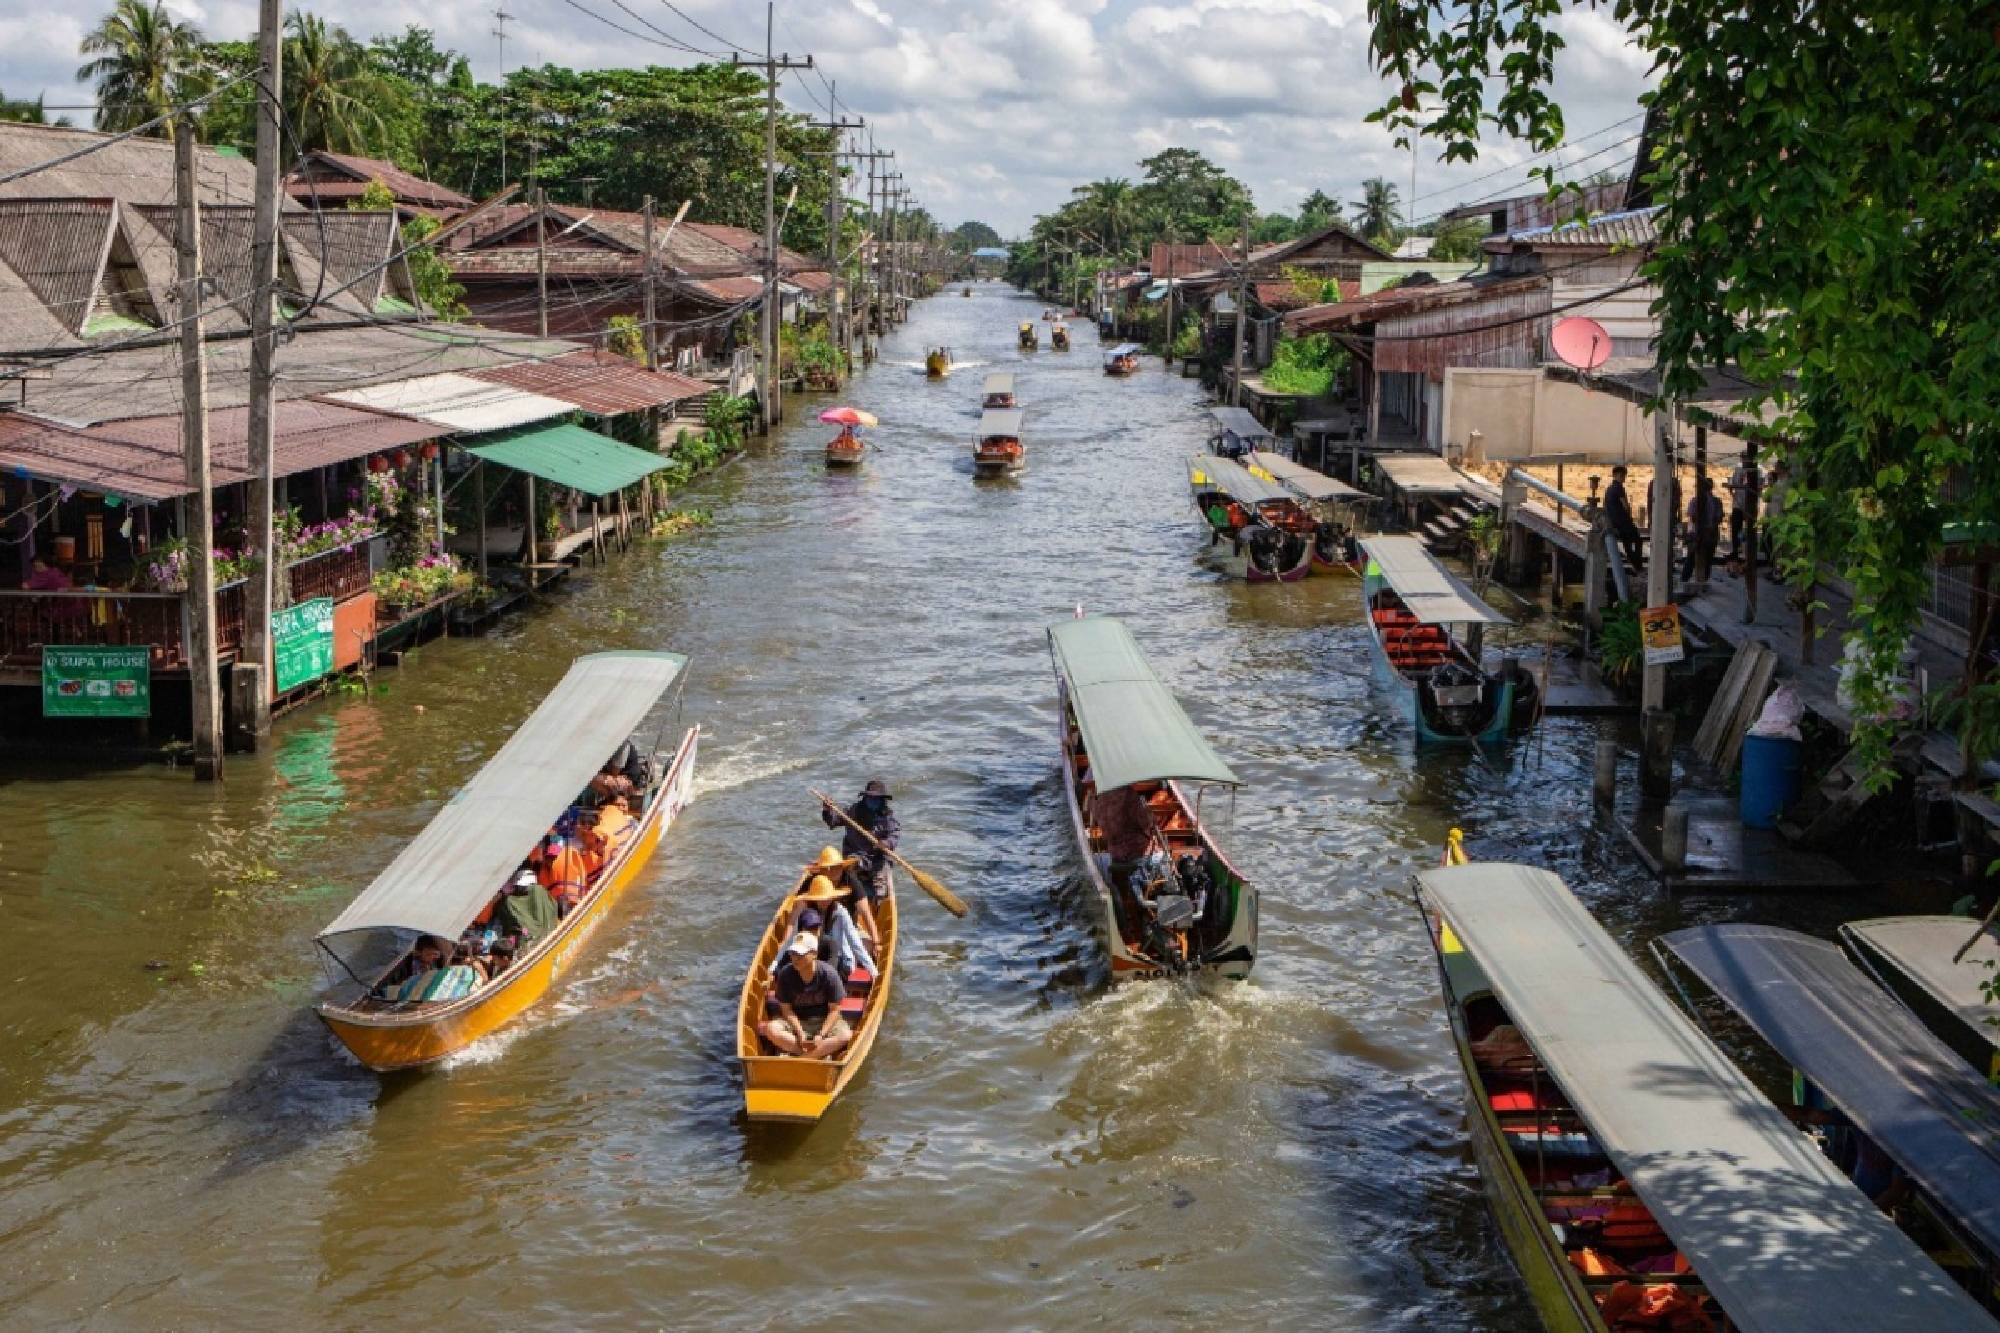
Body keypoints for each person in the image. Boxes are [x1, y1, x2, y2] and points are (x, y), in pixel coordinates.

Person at [823, 781, 898, 943]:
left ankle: (874, 918)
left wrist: (885, 844)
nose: (873, 802)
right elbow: (833, 820)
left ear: (882, 800)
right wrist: (828, 810)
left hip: (877, 859)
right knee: (849, 880)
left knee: (880, 891)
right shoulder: (853, 811)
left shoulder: (887, 817)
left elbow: (894, 836)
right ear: (865, 798)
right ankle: (848, 914)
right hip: (855, 855)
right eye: (871, 798)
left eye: (877, 799)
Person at [760, 933, 853, 1058]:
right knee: (771, 1029)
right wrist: (800, 1032)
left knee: (846, 1035)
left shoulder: (829, 975)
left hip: (823, 1021)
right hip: (798, 1021)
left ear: (814, 953)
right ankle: (814, 1054)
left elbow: (834, 1011)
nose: (795, 958)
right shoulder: (785, 974)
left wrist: (821, 1035)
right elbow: (786, 1010)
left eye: (800, 954)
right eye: (793, 954)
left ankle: (803, 1057)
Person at [773, 873, 876, 977]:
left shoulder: (840, 913)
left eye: (827, 897)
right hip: (811, 958)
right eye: (821, 898)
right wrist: (773, 967)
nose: (825, 901)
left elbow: (855, 943)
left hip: (838, 959)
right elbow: (791, 940)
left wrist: (873, 971)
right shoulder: (806, 914)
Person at [535, 831, 591, 913]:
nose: (551, 860)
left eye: (554, 856)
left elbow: (582, 875)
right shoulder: (541, 870)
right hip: (557, 907)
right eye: (549, 857)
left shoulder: (572, 854)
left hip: (574, 901)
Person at [1682, 476, 1723, 582]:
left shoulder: (1695, 500)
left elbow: (1692, 517)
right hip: (1711, 534)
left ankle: (1685, 579)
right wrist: (1710, 527)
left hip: (1698, 533)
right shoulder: (1717, 501)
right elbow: (1719, 518)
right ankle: (1704, 580)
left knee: (1691, 558)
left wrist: (1702, 527)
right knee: (1708, 560)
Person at [1603, 465, 1642, 570]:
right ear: (1615, 475)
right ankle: (1637, 564)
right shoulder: (1618, 488)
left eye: (1624, 475)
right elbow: (1625, 505)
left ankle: (1635, 563)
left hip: (1614, 521)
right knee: (1637, 540)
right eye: (1621, 475)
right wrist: (1630, 517)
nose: (1623, 478)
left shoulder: (1609, 488)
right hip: (1622, 521)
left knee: (1627, 544)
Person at [1726, 460, 1755, 556]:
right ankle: (1736, 548)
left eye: (1745, 458)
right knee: (1736, 528)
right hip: (1737, 505)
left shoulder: (1755, 470)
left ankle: (1748, 550)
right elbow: (1732, 483)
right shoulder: (1738, 469)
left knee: (1748, 529)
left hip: (1749, 505)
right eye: (1742, 458)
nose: (1743, 460)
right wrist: (1731, 488)